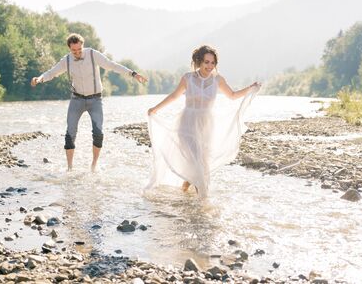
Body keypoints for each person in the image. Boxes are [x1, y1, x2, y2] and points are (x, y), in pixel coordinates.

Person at [146, 45, 260, 198]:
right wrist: (155, 108)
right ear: (199, 61)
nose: (210, 66)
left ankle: (187, 189)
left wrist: (250, 88)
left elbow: (232, 95)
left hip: (206, 126)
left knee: (202, 163)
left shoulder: (218, 80)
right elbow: (174, 96)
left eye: (213, 63)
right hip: (186, 123)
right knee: (196, 161)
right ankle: (203, 203)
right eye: (206, 62)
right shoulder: (187, 78)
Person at [31, 33, 147, 172]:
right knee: (70, 134)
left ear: (82, 46)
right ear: (69, 48)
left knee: (98, 133)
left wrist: (133, 73)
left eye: (79, 49)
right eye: (74, 50)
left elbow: (111, 65)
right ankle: (69, 168)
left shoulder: (92, 54)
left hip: (95, 100)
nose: (77, 53)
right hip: (77, 100)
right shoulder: (66, 60)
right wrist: (39, 79)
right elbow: (52, 73)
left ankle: (93, 166)